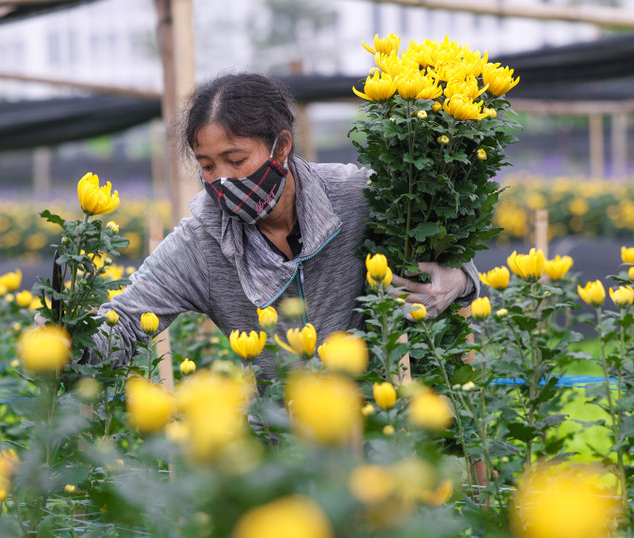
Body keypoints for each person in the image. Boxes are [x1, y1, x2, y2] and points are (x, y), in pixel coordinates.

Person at [92, 73, 478, 379]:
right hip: (280, 453)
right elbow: (125, 320)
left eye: (236, 159)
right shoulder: (201, 243)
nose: (222, 180)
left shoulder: (359, 197)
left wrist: (458, 281)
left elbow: (457, 267)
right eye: (208, 166)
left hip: (379, 432)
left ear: (282, 147)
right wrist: (69, 338)